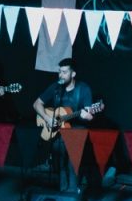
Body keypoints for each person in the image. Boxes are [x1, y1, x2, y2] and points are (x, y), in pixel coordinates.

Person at [33, 58, 95, 192]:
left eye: (64, 72)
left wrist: (87, 115)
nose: (61, 75)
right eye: (59, 72)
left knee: (72, 164)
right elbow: (37, 104)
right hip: (59, 131)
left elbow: (90, 115)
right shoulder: (55, 87)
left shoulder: (83, 89)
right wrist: (47, 118)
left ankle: (72, 194)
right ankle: (62, 193)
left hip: (77, 130)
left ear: (73, 74)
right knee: (60, 163)